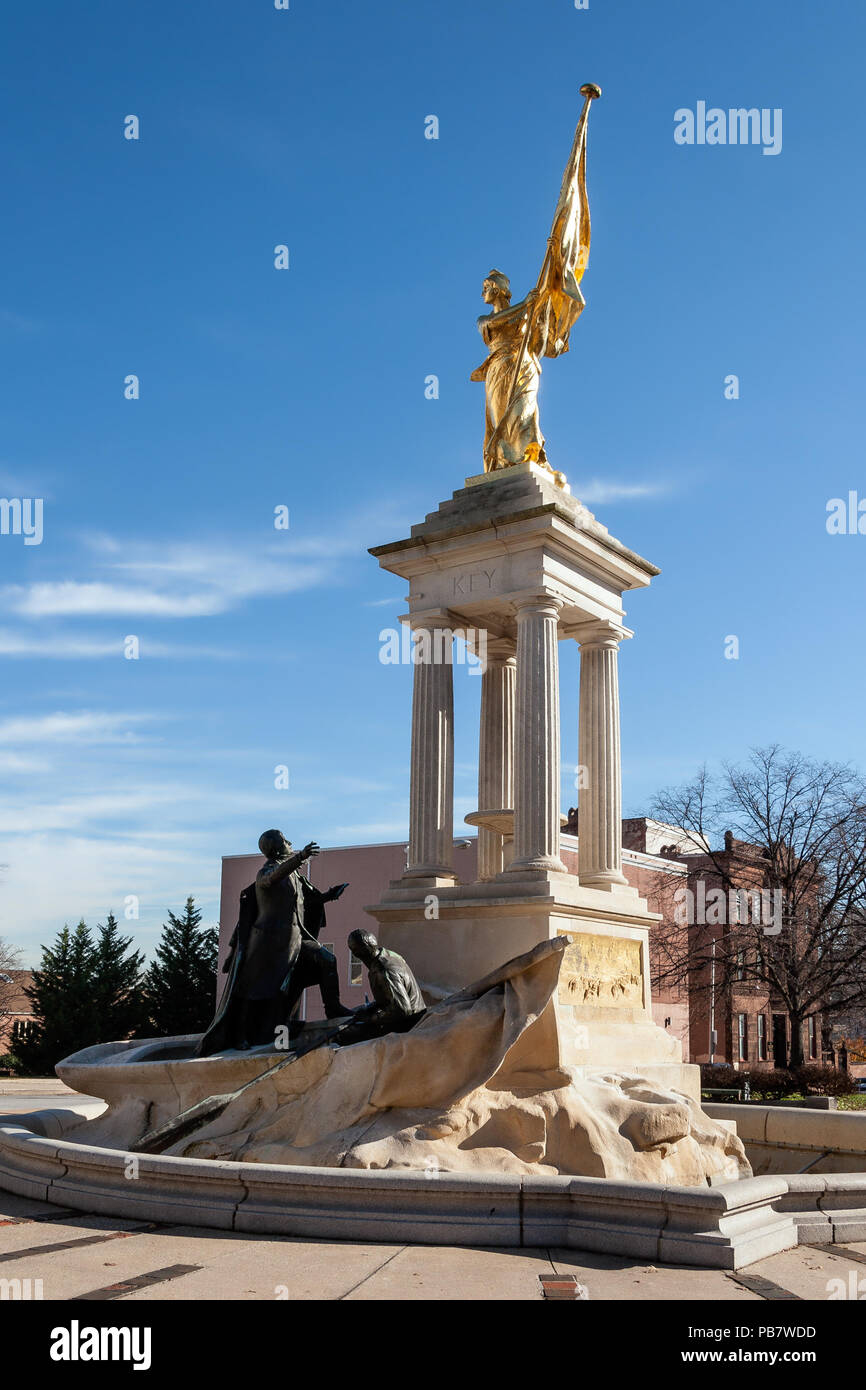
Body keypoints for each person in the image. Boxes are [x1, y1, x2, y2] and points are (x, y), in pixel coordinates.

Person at [197, 829, 351, 1055]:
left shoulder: (296, 875)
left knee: (326, 959)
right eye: (286, 841)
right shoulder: (266, 872)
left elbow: (309, 899)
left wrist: (329, 895)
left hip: (296, 940)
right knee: (252, 990)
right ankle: (241, 1034)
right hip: (267, 944)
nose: (291, 843)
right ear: (278, 848)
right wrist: (300, 857)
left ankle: (333, 1009)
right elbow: (273, 878)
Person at [331, 930, 426, 1047]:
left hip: (407, 1025)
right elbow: (390, 998)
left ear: (355, 953)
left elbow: (402, 1010)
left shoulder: (383, 971)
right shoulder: (389, 955)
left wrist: (371, 1018)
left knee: (342, 1037)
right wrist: (370, 1008)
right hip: (411, 1018)